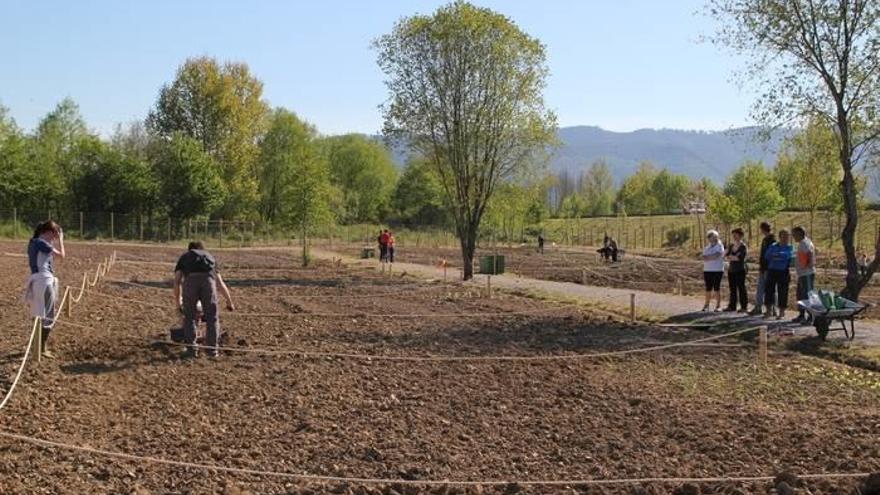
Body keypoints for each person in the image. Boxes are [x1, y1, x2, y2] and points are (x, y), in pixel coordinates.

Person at [173, 241, 235, 358]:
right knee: (212, 318)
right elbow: (220, 284)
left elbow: (177, 282)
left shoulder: (185, 257)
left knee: (189, 317)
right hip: (209, 283)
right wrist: (229, 302)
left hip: (190, 283)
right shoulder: (209, 257)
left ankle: (191, 350)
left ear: (189, 249)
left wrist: (178, 303)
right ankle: (212, 351)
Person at [24, 221, 65, 359]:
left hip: (36, 281)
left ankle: (36, 346)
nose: (54, 238)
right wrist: (61, 241)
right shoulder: (43, 243)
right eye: (54, 235)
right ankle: (41, 348)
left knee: (38, 315)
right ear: (48, 232)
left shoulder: (33, 242)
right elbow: (61, 256)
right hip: (45, 281)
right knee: (48, 315)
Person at [764, 229, 794, 320]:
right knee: (769, 291)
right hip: (772, 270)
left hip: (783, 271)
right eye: (784, 236)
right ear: (780, 237)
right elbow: (767, 255)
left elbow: (788, 256)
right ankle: (768, 311)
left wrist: (777, 255)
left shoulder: (790, 247)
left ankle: (781, 312)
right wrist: (779, 255)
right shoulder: (773, 246)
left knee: (783, 292)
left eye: (787, 236)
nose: (786, 238)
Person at [750, 222, 777, 316]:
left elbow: (770, 255)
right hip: (764, 267)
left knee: (770, 289)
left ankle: (772, 308)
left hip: (769, 268)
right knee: (761, 288)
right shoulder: (765, 239)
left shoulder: (772, 240)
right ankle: (759, 307)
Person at [792, 226, 816, 324]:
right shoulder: (803, 243)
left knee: (808, 295)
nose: (793, 237)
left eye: (794, 235)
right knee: (800, 295)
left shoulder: (805, 243)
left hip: (807, 274)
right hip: (802, 274)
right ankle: (801, 315)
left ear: (800, 234)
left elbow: (810, 254)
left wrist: (808, 265)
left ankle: (811, 316)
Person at [724, 228, 748, 312]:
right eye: (733, 235)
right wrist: (732, 257)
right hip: (731, 270)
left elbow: (740, 258)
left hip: (740, 270)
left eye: (736, 235)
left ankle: (744, 307)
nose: (734, 237)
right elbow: (726, 255)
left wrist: (732, 257)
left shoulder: (743, 246)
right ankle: (732, 306)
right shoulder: (731, 246)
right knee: (732, 289)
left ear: (740, 235)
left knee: (741, 288)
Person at [701, 230, 725, 312]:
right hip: (707, 270)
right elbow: (704, 257)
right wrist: (710, 257)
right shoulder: (707, 247)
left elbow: (717, 255)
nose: (710, 238)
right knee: (708, 288)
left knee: (716, 288)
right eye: (709, 237)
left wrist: (709, 257)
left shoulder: (719, 245)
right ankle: (706, 305)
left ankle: (718, 306)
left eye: (712, 236)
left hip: (717, 270)